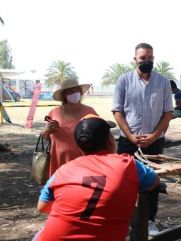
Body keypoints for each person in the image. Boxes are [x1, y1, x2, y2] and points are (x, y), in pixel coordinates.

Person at [33, 114, 160, 241]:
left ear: (80, 146)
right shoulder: (128, 164)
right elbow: (153, 181)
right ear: (110, 140)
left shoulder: (63, 170)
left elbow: (42, 207)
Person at [112, 42, 173, 235]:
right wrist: (130, 136)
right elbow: (118, 111)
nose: (147, 61)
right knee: (123, 182)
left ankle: (150, 221)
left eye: (150, 58)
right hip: (127, 142)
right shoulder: (124, 80)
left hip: (154, 142)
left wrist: (154, 136)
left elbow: (168, 113)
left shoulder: (163, 82)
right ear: (135, 60)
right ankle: (126, 222)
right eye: (142, 58)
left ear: (154, 58)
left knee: (152, 182)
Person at [41, 78, 97, 176]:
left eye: (76, 90)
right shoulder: (54, 112)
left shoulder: (89, 111)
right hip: (59, 163)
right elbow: (45, 137)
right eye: (70, 91)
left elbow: (100, 133)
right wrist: (47, 129)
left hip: (83, 163)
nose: (74, 93)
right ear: (64, 95)